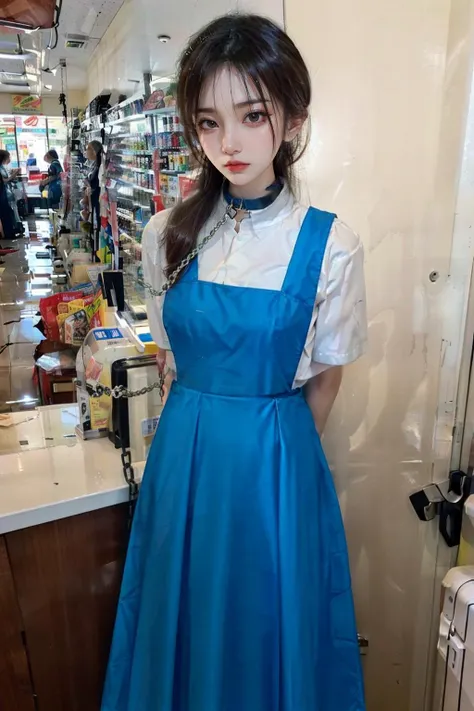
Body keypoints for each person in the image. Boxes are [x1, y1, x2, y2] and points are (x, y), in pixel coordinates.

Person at [102, 14, 367, 711]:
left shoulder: (331, 244)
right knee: (178, 617)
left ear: (293, 117)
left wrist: (279, 458)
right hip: (183, 460)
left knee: (268, 621)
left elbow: (327, 376)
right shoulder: (166, 232)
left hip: (274, 467)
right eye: (209, 121)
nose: (230, 143)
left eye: (252, 115)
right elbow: (169, 355)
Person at [0, 149, 20, 239]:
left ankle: (10, 232)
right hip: (2, 193)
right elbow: (4, 180)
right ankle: (8, 233)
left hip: (4, 192)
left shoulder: (2, 167)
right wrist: (13, 175)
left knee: (8, 213)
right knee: (5, 213)